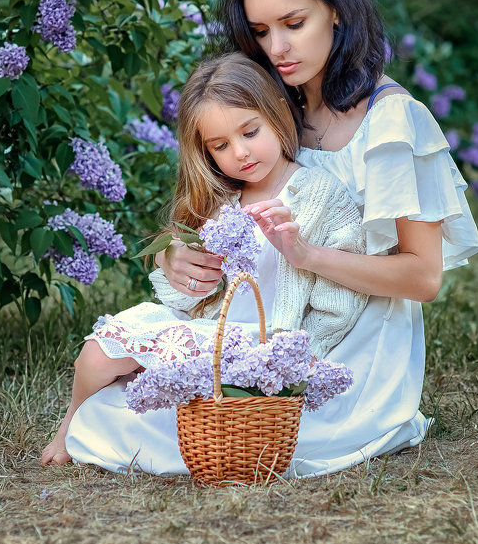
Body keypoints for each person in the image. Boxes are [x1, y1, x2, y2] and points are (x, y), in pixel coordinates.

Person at [59, 0, 478, 476]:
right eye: (261, 31)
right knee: (135, 408)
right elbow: (207, 207)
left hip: (351, 346)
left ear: (335, 9)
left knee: (201, 435)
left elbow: (424, 278)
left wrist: (307, 256)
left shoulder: (392, 120)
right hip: (253, 322)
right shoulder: (264, 111)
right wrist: (176, 257)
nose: (278, 48)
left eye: (293, 23)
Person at [42, 53, 373, 466]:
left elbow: (339, 298)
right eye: (220, 145)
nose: (241, 153)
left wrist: (299, 351)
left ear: (276, 116)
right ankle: (70, 423)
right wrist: (180, 267)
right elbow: (184, 297)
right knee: (94, 355)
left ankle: (139, 417)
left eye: (250, 132)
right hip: (208, 332)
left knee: (170, 409)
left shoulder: (322, 197)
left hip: (266, 345)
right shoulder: (217, 202)